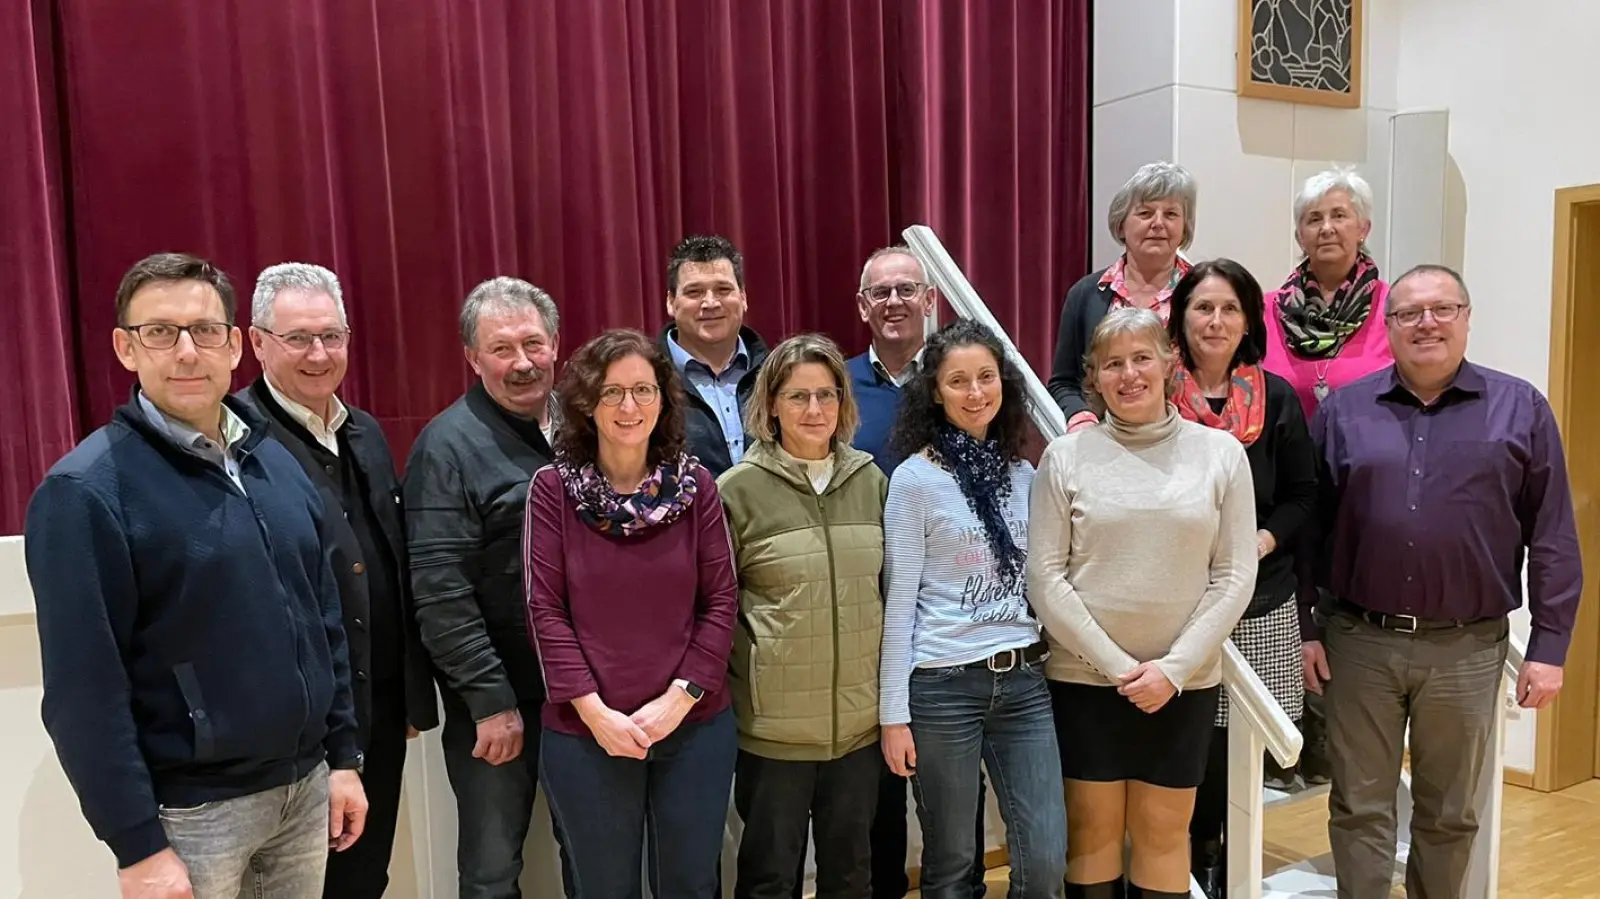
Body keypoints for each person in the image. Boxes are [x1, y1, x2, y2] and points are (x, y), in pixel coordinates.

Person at [25, 253, 366, 899]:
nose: (187, 351)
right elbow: (82, 692)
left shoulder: (274, 460)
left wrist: (342, 757)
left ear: (236, 343)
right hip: (193, 814)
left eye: (205, 330)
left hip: (304, 790)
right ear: (126, 348)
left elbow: (324, 620)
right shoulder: (86, 492)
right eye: (160, 331)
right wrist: (137, 847)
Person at [1307, 265, 1583, 899]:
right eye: (1408, 313)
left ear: (1465, 317)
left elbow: (1553, 536)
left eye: (1442, 309)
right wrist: (1307, 626)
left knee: (1450, 813)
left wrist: (1549, 647)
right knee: (1359, 807)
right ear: (1389, 325)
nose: (1426, 323)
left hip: (1467, 648)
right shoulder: (1345, 411)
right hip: (1360, 642)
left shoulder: (1522, 409)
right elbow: (1309, 530)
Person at [1029, 306, 1257, 899]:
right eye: (1112, 364)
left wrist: (1173, 670)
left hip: (1182, 685)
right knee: (1093, 834)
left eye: (1141, 358)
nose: (1128, 374)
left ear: (1168, 363)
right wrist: (1119, 668)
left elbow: (1234, 574)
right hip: (1086, 682)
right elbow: (1047, 577)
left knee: (1163, 835)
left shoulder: (1221, 454)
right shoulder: (1065, 457)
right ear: (1094, 378)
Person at [236, 262, 439, 899]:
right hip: (301, 719)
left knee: (362, 875)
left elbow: (393, 565)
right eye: (297, 337)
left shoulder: (367, 432)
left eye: (332, 335)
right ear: (257, 341)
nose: (318, 354)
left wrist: (408, 695)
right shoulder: (237, 441)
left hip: (377, 705)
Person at [527, 329, 739, 899]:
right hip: (586, 730)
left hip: (692, 726)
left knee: (692, 886)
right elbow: (545, 610)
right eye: (612, 391)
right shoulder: (552, 490)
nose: (628, 406)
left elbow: (721, 601)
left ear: (664, 400)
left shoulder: (696, 487)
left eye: (643, 390)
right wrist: (597, 716)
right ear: (585, 403)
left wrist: (679, 699)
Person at [880, 320, 1067, 899]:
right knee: (953, 863)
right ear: (935, 391)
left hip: (1025, 684)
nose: (976, 392)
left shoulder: (1025, 475)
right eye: (958, 381)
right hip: (941, 687)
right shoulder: (914, 480)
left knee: (1045, 857)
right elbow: (899, 602)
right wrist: (893, 716)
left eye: (986, 377)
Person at [403, 277, 570, 899]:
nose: (523, 363)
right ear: (473, 359)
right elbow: (439, 590)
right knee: (493, 867)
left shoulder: (589, 426)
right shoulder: (445, 448)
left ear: (556, 343)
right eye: (502, 349)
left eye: (533, 343)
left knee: (592, 850)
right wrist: (490, 700)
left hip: (586, 693)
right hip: (502, 698)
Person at [1163, 261, 1317, 899]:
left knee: (1238, 756)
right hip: (1178, 605)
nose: (1216, 321)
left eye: (1229, 309)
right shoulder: (1152, 394)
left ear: (1249, 319)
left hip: (1260, 603)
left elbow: (1303, 495)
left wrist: (1261, 539)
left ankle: (1232, 873)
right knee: (1186, 753)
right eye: (1203, 308)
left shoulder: (1275, 397)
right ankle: (1187, 871)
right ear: (1181, 318)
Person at [718, 334, 889, 899]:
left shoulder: (871, 481)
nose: (814, 410)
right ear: (771, 404)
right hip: (774, 735)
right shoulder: (736, 492)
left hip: (858, 732)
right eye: (797, 397)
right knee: (769, 878)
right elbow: (717, 609)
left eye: (826, 395)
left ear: (843, 402)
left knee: (851, 875)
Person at [846, 245, 989, 899]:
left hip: (949, 625)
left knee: (955, 810)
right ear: (863, 306)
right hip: (866, 612)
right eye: (882, 291)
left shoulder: (967, 384)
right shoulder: (838, 387)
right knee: (877, 791)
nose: (896, 301)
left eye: (908, 288)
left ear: (930, 299)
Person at [1262, 168, 1394, 787]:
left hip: (1361, 486)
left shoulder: (1396, 309)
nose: (1327, 228)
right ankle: (1296, 734)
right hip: (1285, 489)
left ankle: (1339, 736)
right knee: (1291, 606)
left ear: (1364, 227)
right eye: (1314, 218)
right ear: (1298, 231)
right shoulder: (1266, 308)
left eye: (1340, 215)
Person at [1048, 161, 1196, 430]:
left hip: (1188, 446)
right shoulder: (1085, 294)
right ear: (1121, 224)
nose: (1158, 224)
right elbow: (1064, 383)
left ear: (1185, 228)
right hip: (1107, 444)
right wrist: (1080, 417)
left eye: (1171, 214)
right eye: (1145, 213)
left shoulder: (1204, 293)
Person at [659, 234, 772, 475]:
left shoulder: (776, 374)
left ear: (743, 297)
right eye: (694, 292)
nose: (710, 303)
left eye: (723, 289)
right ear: (670, 302)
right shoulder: (646, 380)